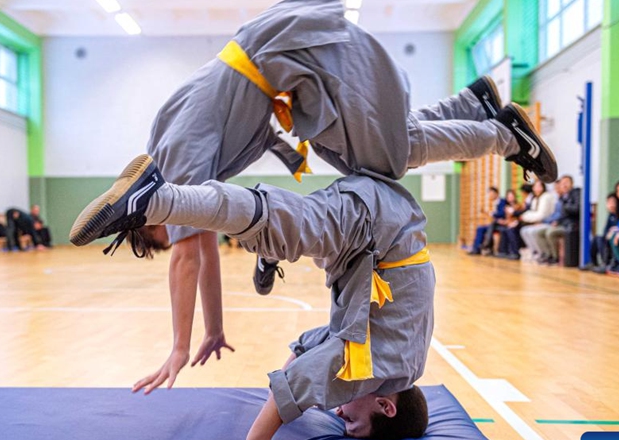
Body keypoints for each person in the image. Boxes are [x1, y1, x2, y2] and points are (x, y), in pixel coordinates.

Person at [71, 0, 558, 391]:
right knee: (369, 158)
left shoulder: (175, 166)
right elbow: (207, 228)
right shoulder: (173, 138)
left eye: (159, 231)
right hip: (292, 67)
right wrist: (214, 329)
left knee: (387, 160)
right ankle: (472, 104)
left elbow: (190, 255)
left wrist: (180, 347)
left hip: (299, 54)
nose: (174, 231)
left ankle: (507, 135)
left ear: (150, 221)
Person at [72, 155, 434, 440]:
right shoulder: (372, 371)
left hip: (379, 231)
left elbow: (311, 345)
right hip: (378, 229)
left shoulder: (400, 362)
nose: (339, 414)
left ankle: (271, 248)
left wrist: (288, 395)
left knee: (299, 224)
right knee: (284, 222)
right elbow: (305, 377)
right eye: (352, 422)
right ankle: (157, 201)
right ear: (386, 407)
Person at [534, 176, 581, 265]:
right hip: (562, 223)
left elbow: (576, 209)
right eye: (562, 183)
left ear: (572, 183)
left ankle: (555, 257)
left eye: (566, 182)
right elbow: (561, 214)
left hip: (572, 225)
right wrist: (556, 221)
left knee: (550, 233)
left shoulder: (576, 193)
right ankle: (547, 255)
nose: (564, 185)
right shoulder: (562, 198)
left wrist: (565, 208)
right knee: (540, 232)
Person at [518, 180, 557, 261]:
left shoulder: (546, 197)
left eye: (538, 186)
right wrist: (525, 217)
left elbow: (542, 215)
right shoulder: (535, 199)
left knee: (532, 231)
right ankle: (535, 252)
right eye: (535, 186)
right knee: (524, 230)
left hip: (547, 222)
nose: (536, 188)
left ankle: (546, 253)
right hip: (539, 222)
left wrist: (526, 217)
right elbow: (532, 212)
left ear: (543, 187)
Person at [580, 194, 619, 273]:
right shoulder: (611, 215)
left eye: (613, 202)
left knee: (601, 239)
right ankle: (593, 262)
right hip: (608, 239)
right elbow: (605, 231)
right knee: (597, 238)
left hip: (615, 239)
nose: (611, 205)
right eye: (609, 202)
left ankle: (606, 264)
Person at [497, 184, 533, 260]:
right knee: (504, 229)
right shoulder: (506, 207)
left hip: (519, 223)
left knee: (510, 229)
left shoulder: (519, 205)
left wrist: (513, 222)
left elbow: (520, 216)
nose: (510, 198)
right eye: (508, 196)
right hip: (510, 223)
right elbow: (508, 219)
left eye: (511, 196)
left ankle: (515, 252)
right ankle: (504, 251)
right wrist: (505, 222)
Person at [467, 186, 506, 255]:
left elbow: (502, 213)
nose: (490, 195)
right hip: (494, 224)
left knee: (490, 226)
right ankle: (476, 248)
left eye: (491, 193)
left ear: (496, 193)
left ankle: (486, 245)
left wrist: (492, 213)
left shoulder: (502, 201)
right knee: (480, 228)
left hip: (500, 224)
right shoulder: (495, 203)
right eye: (489, 193)